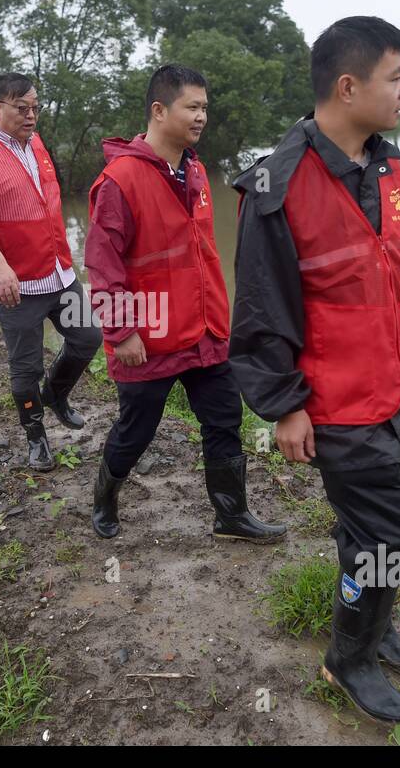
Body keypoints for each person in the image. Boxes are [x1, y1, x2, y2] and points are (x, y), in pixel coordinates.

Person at [230, 16, 400, 724]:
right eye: (396, 77)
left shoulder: (387, 163)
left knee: (367, 535)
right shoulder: (278, 183)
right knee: (396, 536)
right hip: (338, 403)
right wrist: (283, 405)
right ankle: (348, 658)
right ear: (348, 85)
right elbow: (260, 309)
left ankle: (377, 625)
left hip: (399, 388)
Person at [84, 64, 286, 544]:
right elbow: (103, 266)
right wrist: (121, 331)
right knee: (136, 431)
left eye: (205, 108)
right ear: (159, 110)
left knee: (224, 420)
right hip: (148, 337)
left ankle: (231, 516)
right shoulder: (120, 180)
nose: (201, 117)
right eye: (192, 107)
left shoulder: (193, 169)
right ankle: (104, 495)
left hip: (205, 329)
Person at [0, 73, 102, 471]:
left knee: (88, 336)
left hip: (58, 272)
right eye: (22, 109)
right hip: (15, 283)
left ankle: (55, 395)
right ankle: (35, 436)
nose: (31, 115)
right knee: (25, 367)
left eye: (36, 107)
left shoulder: (35, 143)